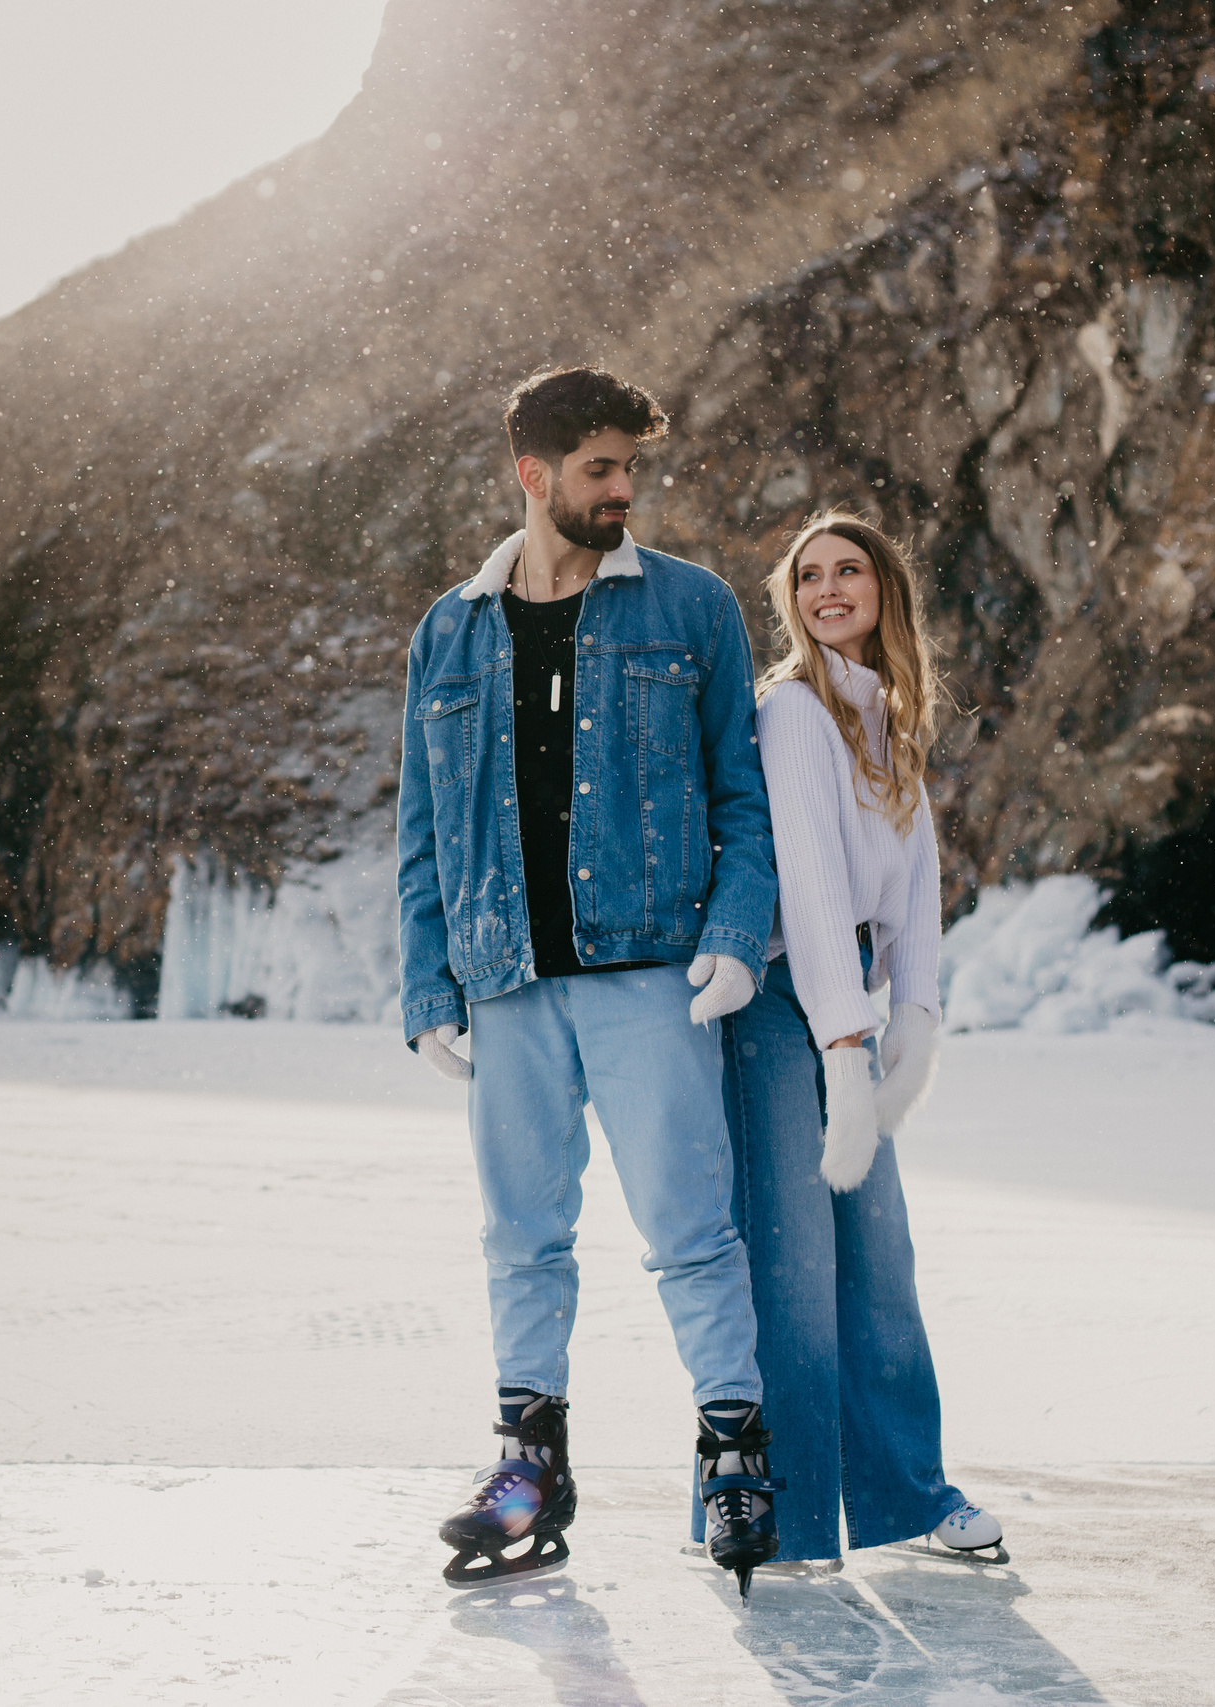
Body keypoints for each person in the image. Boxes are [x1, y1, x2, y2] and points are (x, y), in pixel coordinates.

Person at [397, 367, 785, 1595]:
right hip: (505, 980)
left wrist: (732, 933)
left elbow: (743, 796)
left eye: (632, 468)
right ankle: (527, 1470)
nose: (625, 490)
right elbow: (422, 829)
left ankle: (732, 1461)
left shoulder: (691, 610)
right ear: (534, 476)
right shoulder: (449, 629)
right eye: (601, 469)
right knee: (521, 1236)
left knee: (690, 1232)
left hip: (648, 977)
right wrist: (428, 988)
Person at [706, 507, 1005, 1567]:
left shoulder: (891, 712)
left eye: (849, 572)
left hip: (844, 1014)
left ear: (885, 590)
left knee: (879, 1260)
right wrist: (844, 1044)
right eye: (808, 576)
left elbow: (914, 888)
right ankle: (770, 1508)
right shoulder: (793, 713)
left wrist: (911, 1017)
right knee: (790, 1270)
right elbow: (813, 886)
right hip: (782, 1007)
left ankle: (906, 1496)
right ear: (788, 600)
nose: (828, 590)